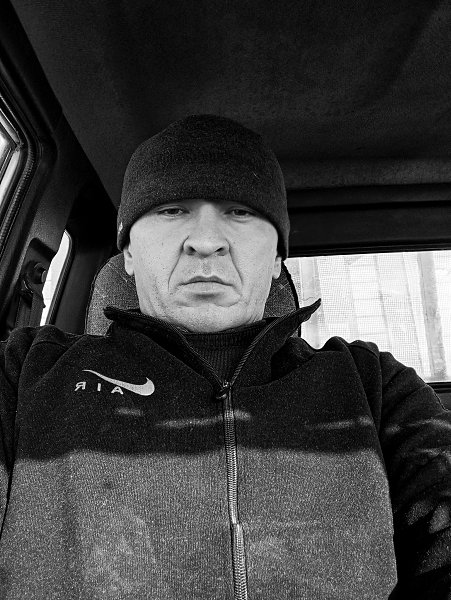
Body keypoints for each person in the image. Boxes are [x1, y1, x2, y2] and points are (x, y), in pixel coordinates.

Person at [0, 114, 450, 600]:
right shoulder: (26, 372)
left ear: (277, 257)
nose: (206, 240)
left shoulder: (373, 387)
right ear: (127, 252)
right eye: (172, 209)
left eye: (239, 211)